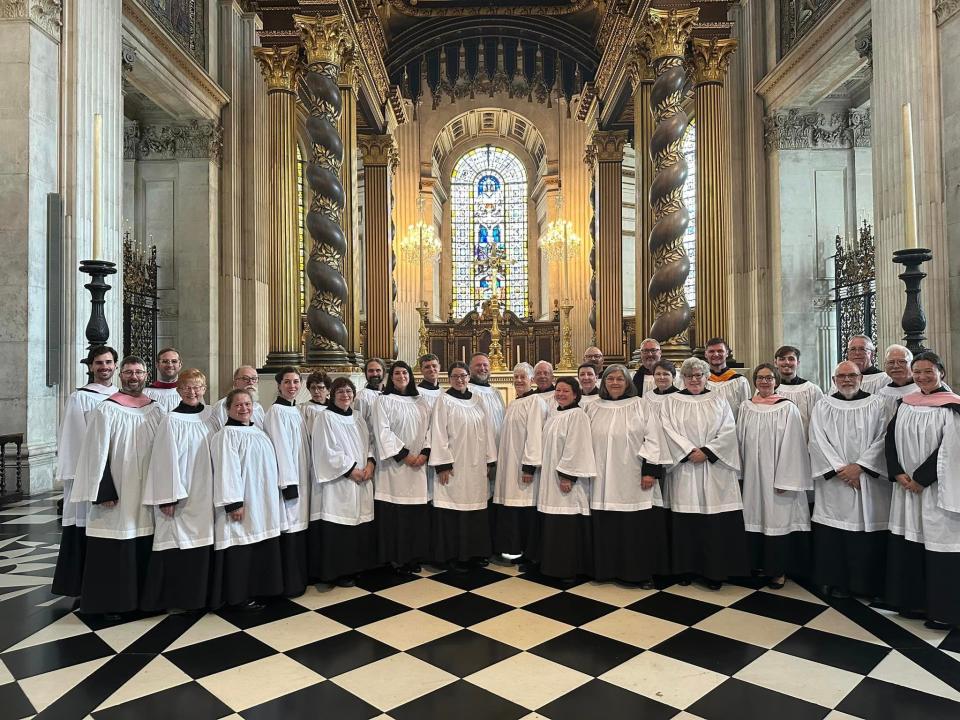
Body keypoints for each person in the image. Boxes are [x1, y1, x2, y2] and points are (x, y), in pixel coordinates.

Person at [72, 355, 165, 615]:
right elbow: (94, 452)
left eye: (138, 372)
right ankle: (112, 602)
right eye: (128, 372)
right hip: (117, 491)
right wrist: (103, 490)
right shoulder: (107, 408)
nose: (133, 377)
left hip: (147, 489)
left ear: (146, 375)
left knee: (145, 537)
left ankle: (145, 601)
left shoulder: (155, 410)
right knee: (116, 538)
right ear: (120, 375)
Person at [884, 351, 960, 630]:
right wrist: (898, 473)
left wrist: (920, 479)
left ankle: (944, 611)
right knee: (910, 543)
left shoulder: (952, 407)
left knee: (940, 546)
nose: (922, 377)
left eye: (928, 371)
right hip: (907, 490)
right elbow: (889, 440)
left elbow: (951, 450)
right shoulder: (905, 402)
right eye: (917, 372)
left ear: (941, 372)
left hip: (937, 491)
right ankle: (913, 603)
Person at [661, 357, 748, 590]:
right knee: (685, 519)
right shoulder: (671, 401)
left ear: (706, 376)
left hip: (714, 467)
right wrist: (690, 451)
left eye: (699, 375)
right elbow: (667, 429)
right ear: (683, 378)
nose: (694, 379)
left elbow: (729, 429)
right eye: (690, 376)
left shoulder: (719, 399)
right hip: (685, 467)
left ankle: (714, 571)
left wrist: (708, 451)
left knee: (714, 522)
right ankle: (685, 569)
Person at [808, 361, 889, 599]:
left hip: (868, 481)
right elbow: (817, 439)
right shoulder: (823, 405)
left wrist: (861, 466)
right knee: (835, 531)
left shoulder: (878, 404)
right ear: (834, 381)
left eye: (852, 375)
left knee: (868, 530)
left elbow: (884, 438)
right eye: (841, 376)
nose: (846, 380)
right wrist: (841, 469)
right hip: (835, 482)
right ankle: (835, 581)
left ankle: (869, 584)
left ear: (861, 378)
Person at [586, 365, 669, 588]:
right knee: (607, 524)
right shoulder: (594, 408)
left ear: (628, 383)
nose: (614, 383)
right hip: (602, 479)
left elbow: (654, 439)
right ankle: (606, 570)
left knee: (635, 527)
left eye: (619, 379)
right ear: (603, 383)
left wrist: (650, 471)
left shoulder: (641, 406)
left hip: (634, 477)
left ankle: (639, 573)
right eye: (610, 379)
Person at [141, 368, 216, 612]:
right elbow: (164, 461)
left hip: (209, 491)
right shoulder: (171, 420)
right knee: (179, 543)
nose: (192, 392)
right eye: (187, 388)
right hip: (184, 493)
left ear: (204, 389)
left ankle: (205, 596)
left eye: (197, 387)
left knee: (207, 543)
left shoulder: (212, 416)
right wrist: (168, 496)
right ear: (179, 391)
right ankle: (180, 599)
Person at [737, 364, 812, 589]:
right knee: (754, 517)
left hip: (777, 477)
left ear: (776, 381)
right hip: (752, 476)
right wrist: (740, 473)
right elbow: (739, 441)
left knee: (777, 520)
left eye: (769, 378)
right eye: (760, 378)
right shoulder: (746, 407)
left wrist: (786, 479)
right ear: (754, 381)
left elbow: (794, 445)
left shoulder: (787, 408)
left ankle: (778, 570)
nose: (764, 382)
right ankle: (756, 564)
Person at [52, 346, 118, 598]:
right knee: (86, 526)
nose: (104, 367)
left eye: (109, 362)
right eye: (99, 363)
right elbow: (72, 438)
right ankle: (83, 585)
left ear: (115, 365)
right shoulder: (80, 397)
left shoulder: (122, 395)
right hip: (88, 475)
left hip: (119, 474)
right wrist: (82, 478)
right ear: (91, 366)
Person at [210, 389, 284, 610]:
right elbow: (226, 470)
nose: (244, 409)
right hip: (241, 503)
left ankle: (259, 590)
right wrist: (234, 503)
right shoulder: (226, 435)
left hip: (263, 501)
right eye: (238, 405)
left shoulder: (259, 432)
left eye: (248, 404)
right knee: (240, 545)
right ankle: (237, 596)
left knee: (258, 544)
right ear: (228, 409)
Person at [527, 377, 597, 581]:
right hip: (550, 480)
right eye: (558, 390)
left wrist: (568, 476)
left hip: (567, 481)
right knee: (551, 521)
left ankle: (568, 568)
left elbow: (577, 447)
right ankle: (550, 565)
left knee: (567, 524)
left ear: (576, 394)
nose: (560, 394)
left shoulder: (578, 415)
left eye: (566, 391)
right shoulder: (554, 413)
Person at [429, 361, 496, 570]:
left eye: (463, 376)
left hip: (476, 466)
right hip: (453, 465)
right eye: (456, 376)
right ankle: (452, 555)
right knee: (452, 507)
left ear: (469, 377)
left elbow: (487, 431)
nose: (460, 380)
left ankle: (475, 553)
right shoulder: (444, 400)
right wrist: (442, 465)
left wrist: (489, 460)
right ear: (449, 379)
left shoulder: (478, 400)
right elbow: (438, 433)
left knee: (476, 507)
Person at [312, 377, 377, 586]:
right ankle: (339, 572)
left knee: (359, 524)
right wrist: (350, 470)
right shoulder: (325, 418)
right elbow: (326, 450)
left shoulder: (358, 417)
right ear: (332, 394)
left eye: (349, 391)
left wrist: (370, 463)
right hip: (340, 481)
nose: (345, 395)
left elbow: (369, 443)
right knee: (340, 527)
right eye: (340, 391)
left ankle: (357, 567)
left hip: (363, 477)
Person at [372, 361, 432, 575]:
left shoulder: (421, 401)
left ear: (410, 376)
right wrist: (405, 455)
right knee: (395, 515)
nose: (401, 376)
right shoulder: (384, 401)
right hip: (394, 468)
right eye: (396, 373)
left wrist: (424, 453)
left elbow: (431, 430)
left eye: (404, 372)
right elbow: (382, 432)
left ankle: (413, 556)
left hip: (418, 466)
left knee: (415, 515)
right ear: (391, 377)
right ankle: (395, 558)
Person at [493, 363, 548, 563]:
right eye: (515, 377)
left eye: (523, 377)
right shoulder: (515, 402)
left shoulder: (535, 402)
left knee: (525, 510)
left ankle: (529, 552)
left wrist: (529, 466)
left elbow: (534, 435)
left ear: (531, 380)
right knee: (513, 509)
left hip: (524, 468)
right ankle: (514, 549)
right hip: (509, 466)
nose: (518, 381)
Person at [263, 367, 311, 597]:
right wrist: (288, 483)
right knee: (290, 527)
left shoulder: (296, 411)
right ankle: (290, 583)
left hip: (303, 477)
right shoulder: (276, 412)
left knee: (300, 529)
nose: (292, 386)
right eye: (287, 382)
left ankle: (301, 577)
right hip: (290, 482)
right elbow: (280, 449)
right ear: (279, 385)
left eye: (295, 382)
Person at [773, 345, 823, 437]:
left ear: (798, 362)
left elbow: (821, 422)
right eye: (782, 359)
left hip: (804, 444)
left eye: (791, 359)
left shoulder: (812, 390)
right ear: (775, 363)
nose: (787, 362)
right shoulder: (768, 390)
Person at [704, 337, 752, 420]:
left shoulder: (740, 381)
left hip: (733, 430)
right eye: (711, 351)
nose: (716, 354)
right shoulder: (701, 381)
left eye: (720, 351)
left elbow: (746, 411)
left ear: (727, 353)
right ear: (706, 354)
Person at [468, 352, 506, 443]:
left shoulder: (496, 393)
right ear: (470, 369)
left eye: (485, 365)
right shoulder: (467, 391)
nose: (482, 368)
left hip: (498, 445)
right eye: (478, 365)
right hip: (476, 445)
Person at [876, 344, 917, 416]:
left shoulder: (923, 389)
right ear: (885, 365)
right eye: (891, 362)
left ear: (912, 364)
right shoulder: (882, 394)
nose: (896, 366)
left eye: (901, 361)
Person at [144, 347, 184, 412]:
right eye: (165, 361)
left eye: (174, 361)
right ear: (157, 365)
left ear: (180, 365)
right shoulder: (146, 393)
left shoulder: (189, 392)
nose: (170, 365)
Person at [353, 357, 385, 436]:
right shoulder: (362, 396)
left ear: (383, 372)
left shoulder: (390, 394)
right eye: (371, 371)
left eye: (378, 370)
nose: (374, 374)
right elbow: (359, 425)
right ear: (366, 373)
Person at [301, 371, 331, 436]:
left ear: (328, 390)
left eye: (320, 388)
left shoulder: (335, 408)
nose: (316, 391)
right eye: (313, 388)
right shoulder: (305, 408)